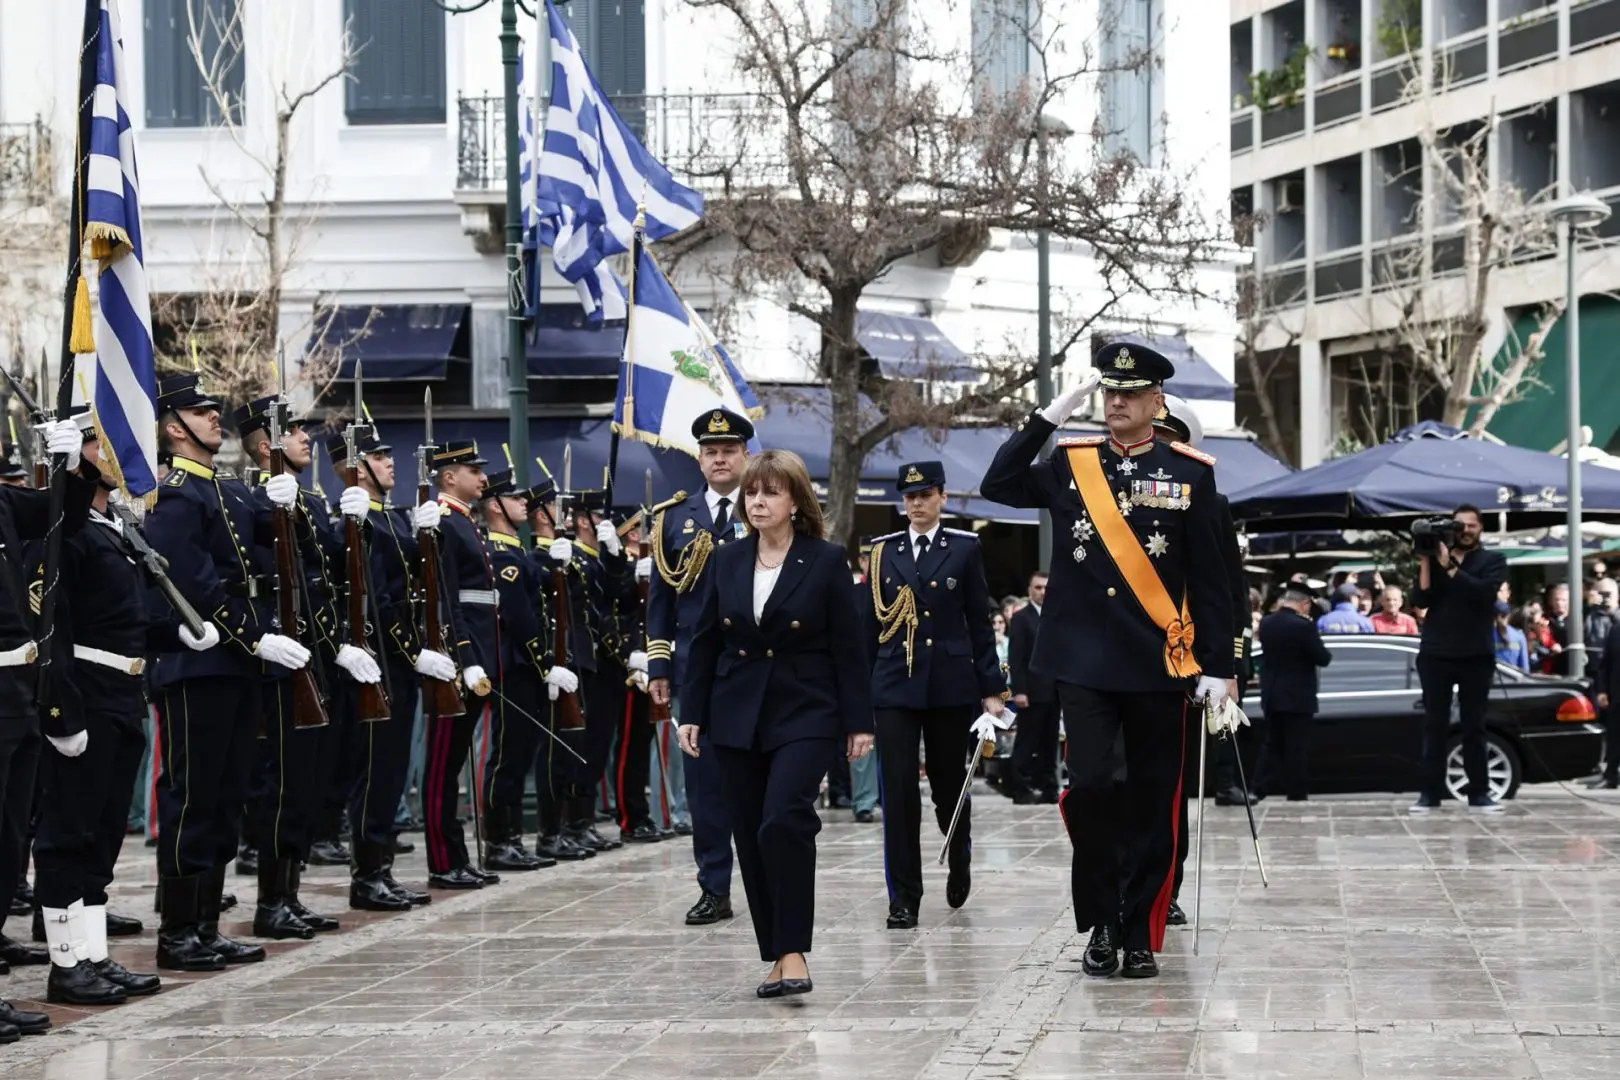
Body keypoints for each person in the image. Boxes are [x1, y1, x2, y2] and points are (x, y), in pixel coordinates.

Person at [981, 342, 1234, 980]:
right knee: (1091, 788)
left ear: (1157, 402)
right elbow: (998, 483)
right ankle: (1100, 920)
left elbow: (1212, 580)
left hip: (1157, 662)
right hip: (1083, 663)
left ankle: (1140, 929)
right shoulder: (1073, 463)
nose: (1117, 402)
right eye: (1109, 393)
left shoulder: (1190, 473)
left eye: (1131, 393)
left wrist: (1218, 666)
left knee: (1152, 800)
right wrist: (1046, 418)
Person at [677, 450, 874, 998]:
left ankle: (794, 951)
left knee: (783, 820)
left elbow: (849, 648)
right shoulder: (727, 559)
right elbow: (705, 642)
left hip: (805, 709)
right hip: (736, 712)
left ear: (795, 501)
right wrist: (691, 713)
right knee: (749, 831)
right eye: (751, 493)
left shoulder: (827, 559)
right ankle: (778, 955)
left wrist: (859, 721)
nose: (757, 501)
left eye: (770, 492)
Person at [144, 374, 310, 971]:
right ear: (173, 428)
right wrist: (253, 635)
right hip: (199, 662)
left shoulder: (230, 492)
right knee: (193, 798)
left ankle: (207, 926)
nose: (216, 418)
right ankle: (179, 932)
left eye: (215, 411)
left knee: (226, 796)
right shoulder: (177, 495)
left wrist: (290, 496)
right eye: (201, 412)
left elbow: (282, 555)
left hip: (237, 664)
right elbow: (190, 582)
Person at [31, 413, 192, 1005]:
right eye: (103, 441)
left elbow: (130, 620)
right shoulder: (65, 529)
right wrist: (61, 714)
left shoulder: (113, 527)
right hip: (87, 694)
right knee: (67, 834)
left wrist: (177, 636)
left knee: (101, 835)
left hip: (124, 693)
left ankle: (94, 954)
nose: (118, 452)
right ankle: (65, 962)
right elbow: (55, 628)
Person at [234, 397, 380, 940]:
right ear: (266, 443)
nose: (306, 437)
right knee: (278, 786)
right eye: (293, 430)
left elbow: (333, 574)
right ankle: (270, 902)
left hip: (317, 656)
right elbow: (257, 571)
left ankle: (288, 896)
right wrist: (269, 510)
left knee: (305, 784)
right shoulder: (251, 499)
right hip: (280, 660)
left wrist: (354, 524)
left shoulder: (310, 501)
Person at [865, 461, 1006, 929]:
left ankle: (959, 852)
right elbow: (871, 626)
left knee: (949, 786)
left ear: (942, 497)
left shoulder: (964, 548)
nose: (917, 503)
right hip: (894, 682)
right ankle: (903, 896)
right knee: (899, 791)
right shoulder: (883, 551)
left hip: (948, 682)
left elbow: (979, 623)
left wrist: (992, 689)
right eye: (909, 497)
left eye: (925, 495)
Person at [0, 415, 104, 1036]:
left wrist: (71, 465)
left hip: (14, 690)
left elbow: (58, 515)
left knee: (9, 845)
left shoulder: (3, 502)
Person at [648, 408, 754, 927]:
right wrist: (659, 665)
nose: (719, 458)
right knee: (705, 786)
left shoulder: (767, 509)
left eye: (728, 450)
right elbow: (661, 600)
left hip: (757, 667)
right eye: (710, 451)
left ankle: (765, 878)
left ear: (745, 456)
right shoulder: (674, 517)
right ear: (699, 458)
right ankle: (714, 886)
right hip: (697, 671)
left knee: (757, 782)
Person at [330, 429, 443, 912]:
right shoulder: (353, 522)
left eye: (387, 453)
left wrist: (427, 538)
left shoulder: (393, 520)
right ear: (353, 468)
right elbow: (375, 601)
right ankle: (367, 875)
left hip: (402, 663)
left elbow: (416, 590)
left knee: (393, 771)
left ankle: (383, 871)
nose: (389, 462)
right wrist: (409, 650)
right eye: (377, 456)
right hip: (376, 663)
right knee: (374, 774)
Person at [479, 471, 576, 870]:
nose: (525, 504)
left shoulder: (517, 553)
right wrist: (545, 665)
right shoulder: (502, 556)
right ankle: (501, 842)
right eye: (514, 498)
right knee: (507, 757)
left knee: (519, 755)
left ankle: (512, 839)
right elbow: (520, 621)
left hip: (527, 668)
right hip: (513, 667)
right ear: (494, 506)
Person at [418, 440, 499, 888]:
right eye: (473, 469)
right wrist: (464, 655)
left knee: (451, 765)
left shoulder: (465, 522)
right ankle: (443, 861)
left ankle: (457, 856)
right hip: (457, 658)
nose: (482, 477)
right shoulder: (445, 522)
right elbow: (445, 596)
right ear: (449, 476)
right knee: (442, 767)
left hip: (478, 655)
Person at [1407, 504, 1509, 813]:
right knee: (1434, 725)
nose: (1465, 530)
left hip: (1475, 655)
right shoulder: (1438, 558)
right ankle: (1429, 794)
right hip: (1437, 652)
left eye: (1471, 525)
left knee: (1473, 725)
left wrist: (1450, 566)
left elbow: (1482, 595)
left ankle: (1479, 793)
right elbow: (1421, 599)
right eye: (1459, 525)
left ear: (1481, 528)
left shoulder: (1493, 560)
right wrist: (1426, 558)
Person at [1255, 582, 1332, 802]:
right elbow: (1322, 658)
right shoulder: (1303, 626)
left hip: (1272, 694)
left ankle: (1258, 787)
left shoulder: (1267, 623)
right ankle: (1296, 791)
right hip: (1298, 696)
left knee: (1272, 743)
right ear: (1304, 603)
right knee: (1296, 746)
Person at [1007, 571, 1058, 804]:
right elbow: (1015, 657)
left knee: (1050, 741)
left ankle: (1047, 786)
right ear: (1030, 590)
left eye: (1046, 588)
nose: (1042, 592)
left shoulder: (1056, 616)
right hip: (1030, 690)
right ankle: (1020, 787)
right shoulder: (1021, 618)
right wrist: (1019, 690)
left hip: (1054, 690)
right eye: (1038, 587)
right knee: (1027, 741)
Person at [1493, 602, 1530, 672]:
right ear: (1509, 615)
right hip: (1514, 681)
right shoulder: (1519, 636)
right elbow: (1525, 668)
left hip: (1494, 680)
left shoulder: (1487, 637)